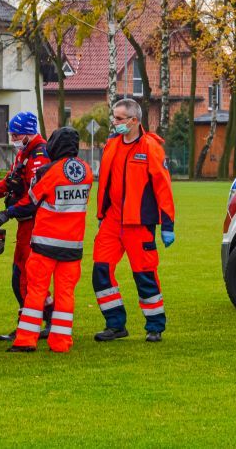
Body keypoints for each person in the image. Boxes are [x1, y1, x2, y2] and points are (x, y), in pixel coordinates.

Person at [0, 127, 93, 353]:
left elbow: (31, 201)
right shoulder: (87, 171)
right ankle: (61, 342)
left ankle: (26, 340)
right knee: (65, 295)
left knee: (36, 291)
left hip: (46, 243)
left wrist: (6, 213)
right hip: (73, 246)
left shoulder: (48, 171)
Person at [92, 99, 175, 342]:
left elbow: (163, 188)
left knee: (144, 275)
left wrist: (167, 225)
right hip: (111, 221)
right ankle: (116, 325)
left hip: (138, 224)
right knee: (101, 271)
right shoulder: (112, 145)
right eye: (114, 118)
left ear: (134, 121)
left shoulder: (150, 147)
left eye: (119, 119)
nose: (114, 123)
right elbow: (106, 183)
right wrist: (101, 215)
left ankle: (155, 326)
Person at [0, 111, 50, 341]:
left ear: (27, 133)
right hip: (26, 222)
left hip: (35, 222)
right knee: (22, 274)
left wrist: (7, 213)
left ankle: (28, 326)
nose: (12, 138)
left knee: (24, 276)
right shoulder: (26, 152)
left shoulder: (39, 155)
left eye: (15, 134)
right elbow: (12, 179)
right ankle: (47, 316)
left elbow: (35, 196)